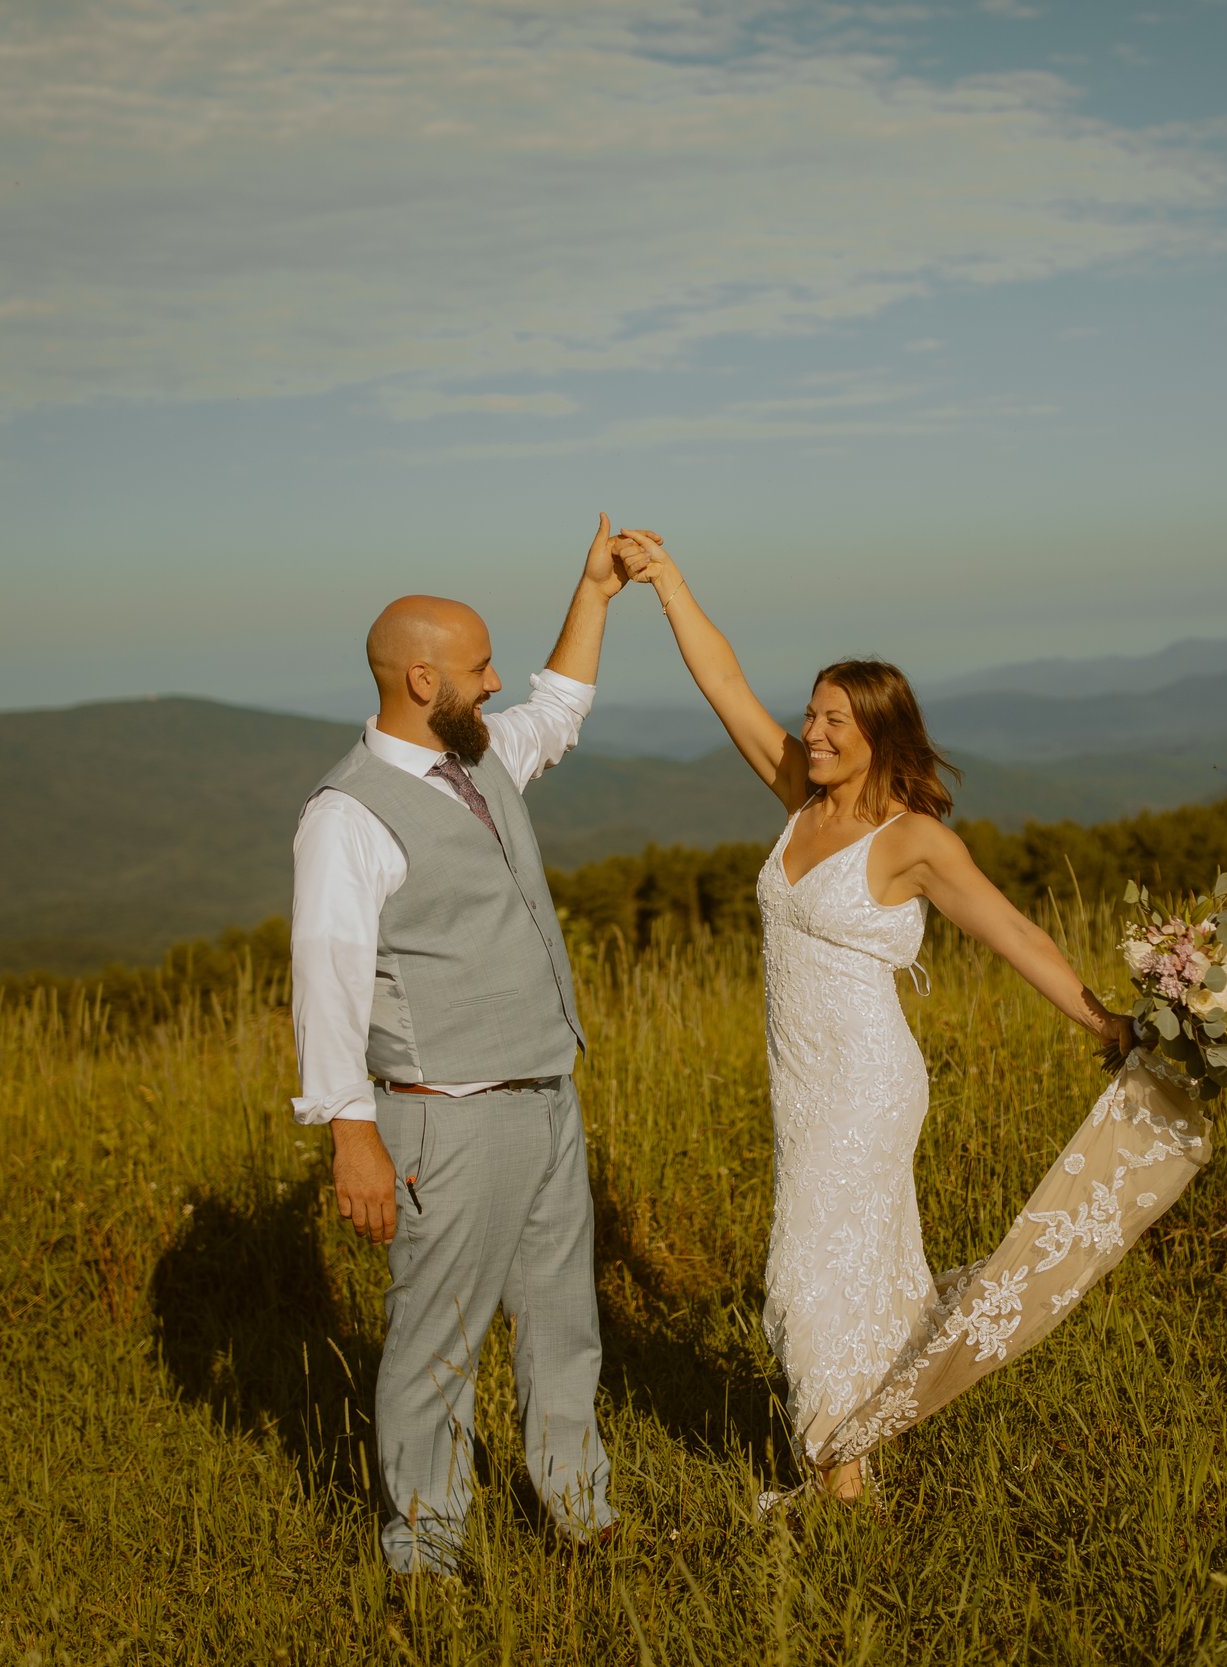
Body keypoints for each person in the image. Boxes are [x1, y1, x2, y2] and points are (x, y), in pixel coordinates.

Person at [613, 532, 1135, 1503]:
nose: (813, 731)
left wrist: (1104, 1023)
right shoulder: (798, 801)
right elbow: (724, 683)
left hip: (864, 1081)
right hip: (799, 1084)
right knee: (861, 1273)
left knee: (800, 1280)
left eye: (836, 720)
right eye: (811, 712)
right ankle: (868, 1442)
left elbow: (1013, 931)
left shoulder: (913, 840)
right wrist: (668, 584)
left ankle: (839, 1476)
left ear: (881, 732)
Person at [289, 515, 644, 1577]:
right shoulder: (345, 816)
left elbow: (561, 708)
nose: (495, 683)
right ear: (418, 676)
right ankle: (425, 1549)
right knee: (437, 1339)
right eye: (478, 666)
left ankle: (580, 1508)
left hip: (543, 1097)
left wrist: (594, 591)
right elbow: (326, 976)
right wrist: (351, 1133)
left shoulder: (478, 758)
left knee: (562, 1324)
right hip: (441, 1114)